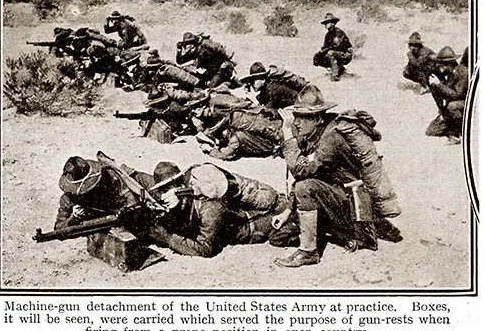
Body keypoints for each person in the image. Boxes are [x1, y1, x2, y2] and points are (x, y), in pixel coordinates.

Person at [273, 84, 402, 267]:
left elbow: (302, 172)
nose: (296, 123)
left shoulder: (332, 137)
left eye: (304, 117)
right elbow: (306, 173)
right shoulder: (317, 132)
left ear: (318, 118)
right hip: (339, 199)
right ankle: (341, 236)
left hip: (355, 207)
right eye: (296, 117)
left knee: (305, 188)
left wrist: (289, 140)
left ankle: (310, 252)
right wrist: (287, 210)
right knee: (280, 235)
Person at [144, 162, 300, 257]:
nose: (164, 195)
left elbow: (204, 249)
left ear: (179, 184)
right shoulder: (191, 187)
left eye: (167, 189)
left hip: (260, 218)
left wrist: (167, 238)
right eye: (162, 189)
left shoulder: (210, 207)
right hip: (245, 210)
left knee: (279, 229)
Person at [55, 156, 156, 230]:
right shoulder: (69, 198)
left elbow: (140, 181)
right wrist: (73, 218)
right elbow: (59, 227)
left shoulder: (110, 177)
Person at [426, 46, 468, 144]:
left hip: (464, 105)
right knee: (431, 130)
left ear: (448, 64)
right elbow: (444, 92)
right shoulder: (449, 73)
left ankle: (457, 134)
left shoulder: (463, 72)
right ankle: (452, 125)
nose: (439, 66)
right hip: (452, 107)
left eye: (441, 64)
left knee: (452, 106)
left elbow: (456, 94)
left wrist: (438, 84)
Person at [240, 62, 307, 110]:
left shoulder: (272, 89)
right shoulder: (266, 88)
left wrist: (254, 101)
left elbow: (267, 111)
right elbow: (262, 99)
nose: (251, 84)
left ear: (262, 79)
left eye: (252, 81)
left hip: (302, 107)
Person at [313, 13, 353, 82]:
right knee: (318, 57)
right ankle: (339, 68)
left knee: (330, 53)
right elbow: (324, 47)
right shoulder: (328, 35)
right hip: (337, 54)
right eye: (325, 23)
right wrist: (318, 55)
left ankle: (335, 75)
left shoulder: (338, 32)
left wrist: (323, 51)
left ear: (333, 23)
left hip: (346, 54)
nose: (326, 25)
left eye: (328, 22)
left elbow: (335, 46)